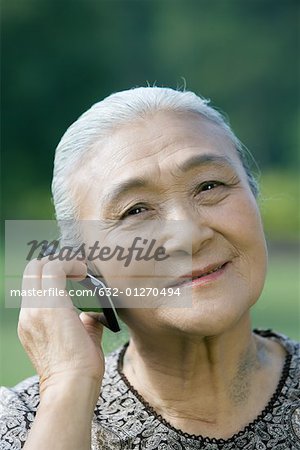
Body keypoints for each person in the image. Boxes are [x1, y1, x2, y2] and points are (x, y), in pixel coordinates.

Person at [1, 87, 299, 450]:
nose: (188, 235)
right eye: (136, 211)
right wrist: (67, 389)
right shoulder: (21, 422)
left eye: (209, 185)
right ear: (84, 265)